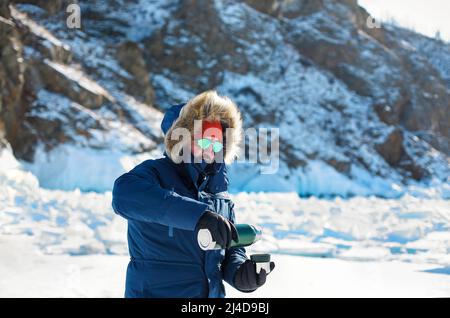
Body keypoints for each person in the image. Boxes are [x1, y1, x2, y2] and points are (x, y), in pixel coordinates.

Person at [112, 90, 275, 298]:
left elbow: (227, 248)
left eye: (217, 143)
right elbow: (123, 195)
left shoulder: (219, 193)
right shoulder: (155, 174)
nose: (210, 150)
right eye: (204, 141)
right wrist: (198, 216)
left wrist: (240, 273)